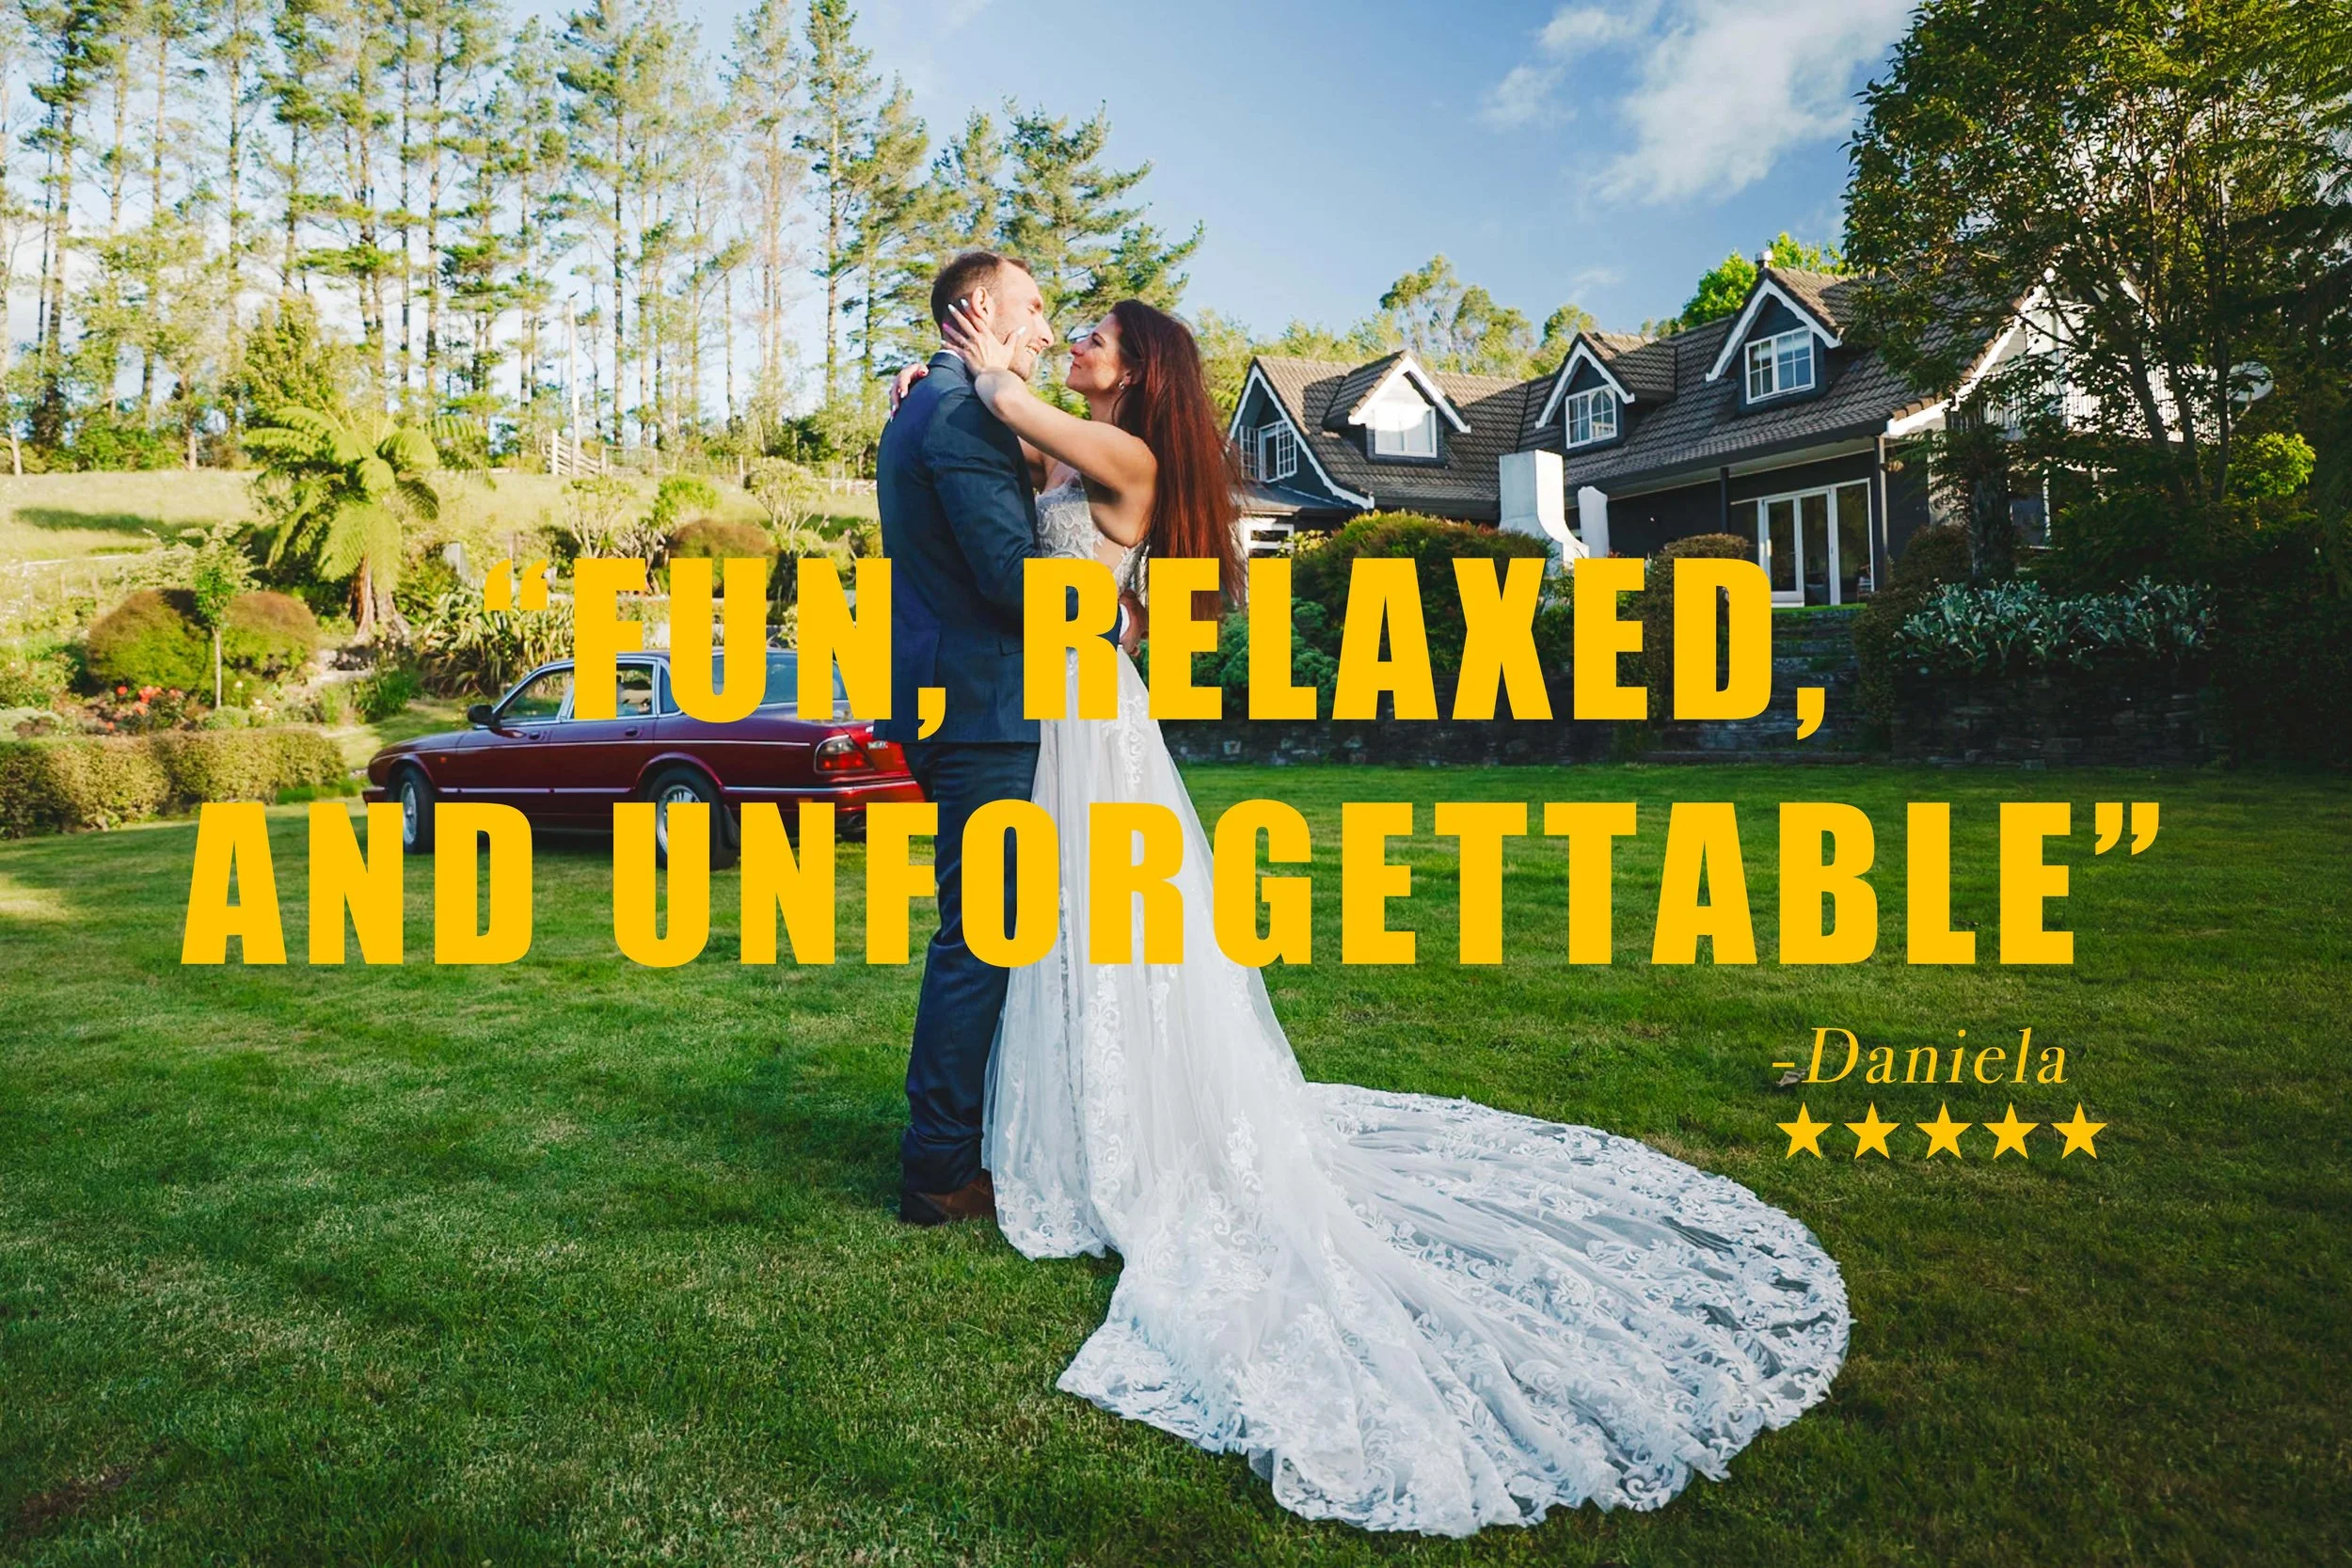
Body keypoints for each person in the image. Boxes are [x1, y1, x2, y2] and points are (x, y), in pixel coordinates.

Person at [885, 264, 1851, 1536]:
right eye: (1060, 321)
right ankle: (1052, 1126)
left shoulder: (1109, 449)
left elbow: (1016, 435)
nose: (1070, 334)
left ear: (1140, 373)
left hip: (1076, 720)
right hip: (1051, 715)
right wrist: (941, 389)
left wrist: (967, 367)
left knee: (1081, 932)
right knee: (1054, 934)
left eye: (1097, 332)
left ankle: (1057, 1140)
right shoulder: (1053, 440)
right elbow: (1007, 495)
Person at [871, 250, 1139, 1227]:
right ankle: (940, 1168)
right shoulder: (956, 412)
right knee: (981, 939)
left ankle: (983, 1132)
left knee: (998, 932)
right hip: (984, 708)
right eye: (1032, 310)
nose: (1044, 329)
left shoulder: (944, 403)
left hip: (979, 704)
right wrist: (1111, 626)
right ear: (977, 309)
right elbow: (1004, 574)